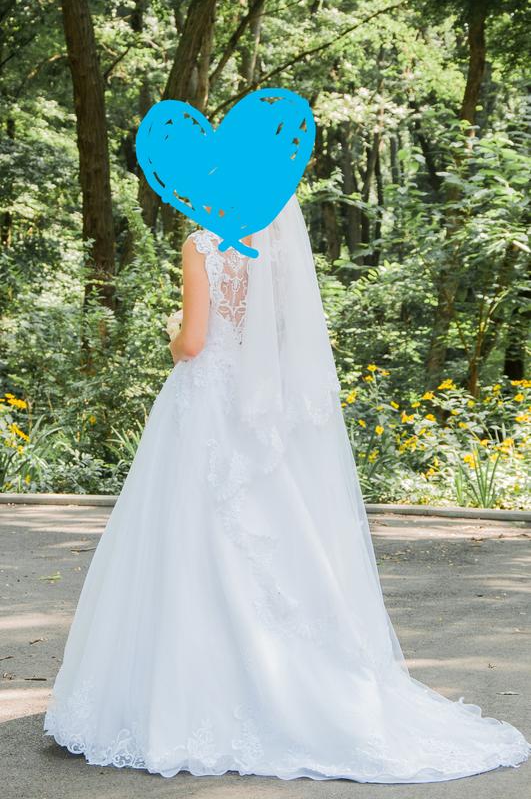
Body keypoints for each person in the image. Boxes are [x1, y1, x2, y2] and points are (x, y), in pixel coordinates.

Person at [43, 195, 530, 782]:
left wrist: (173, 336)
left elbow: (194, 344)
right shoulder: (273, 248)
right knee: (267, 528)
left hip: (205, 406)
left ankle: (180, 695)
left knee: (188, 532)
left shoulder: (201, 245)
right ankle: (300, 680)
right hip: (255, 405)